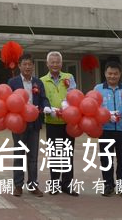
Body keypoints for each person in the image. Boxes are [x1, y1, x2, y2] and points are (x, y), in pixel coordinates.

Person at [7, 53, 50, 197]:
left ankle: (33, 185)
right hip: (19, 123)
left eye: (29, 64)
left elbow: (43, 98)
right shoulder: (12, 82)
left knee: (33, 156)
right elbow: (8, 102)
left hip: (34, 123)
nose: (27, 67)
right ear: (19, 66)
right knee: (19, 154)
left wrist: (47, 107)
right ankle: (18, 186)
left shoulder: (38, 82)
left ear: (33, 66)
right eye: (24, 64)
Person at [94, 61, 122, 199]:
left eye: (115, 74)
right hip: (105, 129)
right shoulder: (98, 89)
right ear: (105, 73)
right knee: (106, 159)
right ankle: (108, 185)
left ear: (120, 74)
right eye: (110, 73)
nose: (112, 76)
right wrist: (106, 116)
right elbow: (93, 108)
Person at [40, 51, 78, 196]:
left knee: (68, 154)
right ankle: (55, 184)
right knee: (55, 154)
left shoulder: (69, 77)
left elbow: (73, 94)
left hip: (69, 122)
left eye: (57, 62)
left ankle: (67, 185)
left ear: (61, 64)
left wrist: (66, 105)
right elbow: (42, 98)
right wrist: (49, 108)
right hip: (52, 122)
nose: (55, 65)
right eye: (52, 62)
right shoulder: (42, 80)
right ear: (47, 64)